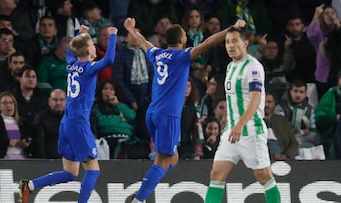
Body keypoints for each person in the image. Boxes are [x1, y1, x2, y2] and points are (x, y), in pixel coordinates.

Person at [123, 17, 245, 203]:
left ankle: (146, 188)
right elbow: (207, 43)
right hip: (168, 115)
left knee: (172, 159)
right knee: (163, 161)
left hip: (152, 113)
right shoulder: (182, 56)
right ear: (182, 40)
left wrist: (131, 29)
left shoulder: (157, 54)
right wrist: (231, 28)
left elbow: (143, 42)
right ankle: (138, 200)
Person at [18, 25, 118, 203]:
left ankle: (30, 185)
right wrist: (112, 37)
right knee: (93, 170)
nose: (95, 47)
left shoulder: (71, 64)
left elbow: (72, 51)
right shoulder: (88, 68)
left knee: (70, 173)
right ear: (88, 50)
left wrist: (81, 34)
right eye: (92, 45)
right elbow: (109, 59)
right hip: (78, 123)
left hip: (67, 122)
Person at [204, 27, 281, 203]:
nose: (230, 45)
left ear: (245, 44)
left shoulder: (253, 67)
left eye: (234, 41)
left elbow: (255, 100)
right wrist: (229, 124)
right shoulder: (231, 66)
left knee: (264, 176)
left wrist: (240, 125)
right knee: (216, 174)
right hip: (231, 132)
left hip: (250, 131)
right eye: (227, 42)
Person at [0, 91, 32, 159]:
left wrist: (24, 143)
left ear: (15, 105)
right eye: (4, 103)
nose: (8, 105)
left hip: (22, 158)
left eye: (11, 102)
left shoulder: (22, 122)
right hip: (2, 159)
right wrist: (8, 142)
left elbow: (28, 138)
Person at [33, 89, 66, 159]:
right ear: (49, 101)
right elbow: (39, 143)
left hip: (71, 160)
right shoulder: (41, 117)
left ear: (66, 101)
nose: (58, 103)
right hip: (49, 160)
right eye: (55, 100)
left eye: (62, 100)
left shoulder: (72, 118)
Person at [264, 92, 298, 161]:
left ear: (274, 104)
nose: (266, 105)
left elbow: (294, 143)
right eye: (263, 102)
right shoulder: (251, 121)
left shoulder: (283, 121)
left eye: (269, 102)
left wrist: (285, 156)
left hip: (280, 158)